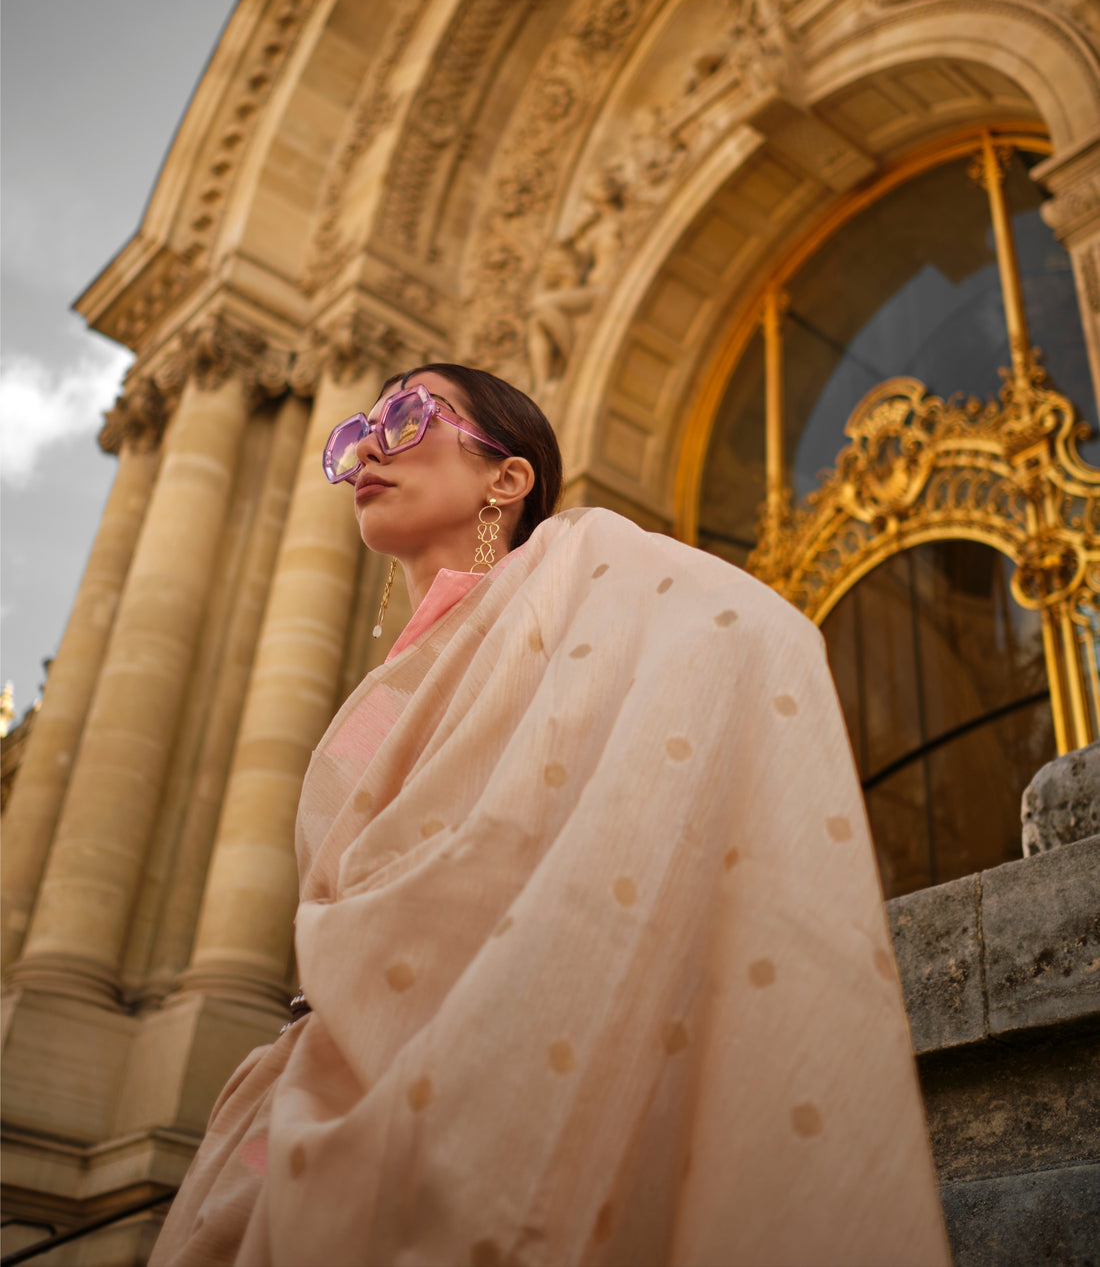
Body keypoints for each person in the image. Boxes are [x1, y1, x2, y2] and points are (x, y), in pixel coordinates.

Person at [151, 364, 949, 1267]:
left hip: (503, 1043)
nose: (368, 445)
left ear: (509, 477)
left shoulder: (580, 568)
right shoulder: (386, 684)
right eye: (354, 433)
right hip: (332, 1071)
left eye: (410, 416)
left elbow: (751, 631)